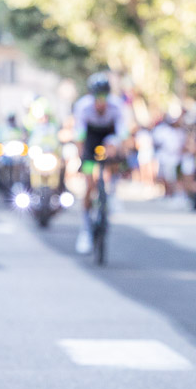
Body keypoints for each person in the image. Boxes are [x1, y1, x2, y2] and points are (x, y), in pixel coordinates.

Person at [73, 73, 128, 254]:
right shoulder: (83, 107)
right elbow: (80, 136)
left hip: (108, 136)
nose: (101, 101)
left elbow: (122, 133)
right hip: (90, 139)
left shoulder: (117, 106)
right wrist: (82, 158)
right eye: (97, 96)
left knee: (113, 151)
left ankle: (111, 191)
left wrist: (121, 151)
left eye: (104, 96)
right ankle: (86, 229)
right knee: (89, 185)